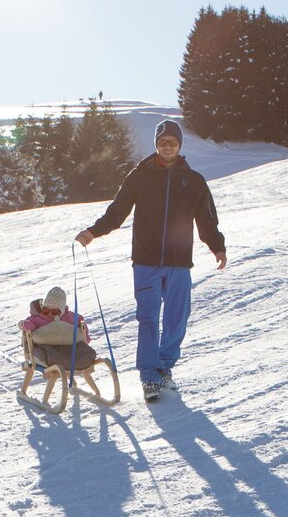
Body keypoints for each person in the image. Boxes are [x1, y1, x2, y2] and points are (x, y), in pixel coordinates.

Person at [75, 120, 227, 401]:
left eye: (172, 141)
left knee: (177, 319)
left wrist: (217, 247)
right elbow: (117, 212)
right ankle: (149, 376)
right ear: (157, 144)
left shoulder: (194, 181)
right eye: (163, 141)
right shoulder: (139, 176)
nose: (167, 146)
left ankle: (164, 367)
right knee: (147, 318)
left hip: (180, 263)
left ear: (179, 145)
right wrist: (93, 232)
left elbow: (206, 220)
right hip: (145, 261)